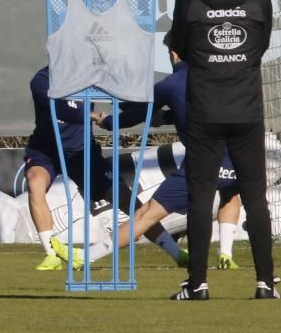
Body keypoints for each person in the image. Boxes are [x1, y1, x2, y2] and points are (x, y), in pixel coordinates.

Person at [166, 0, 277, 300]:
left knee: (201, 199)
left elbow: (179, 47)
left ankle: (197, 285)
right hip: (246, 110)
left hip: (204, 111)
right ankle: (264, 283)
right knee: (255, 197)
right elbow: (259, 47)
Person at [58, 48, 243, 268]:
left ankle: (84, 257)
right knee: (230, 193)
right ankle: (226, 255)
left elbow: (133, 116)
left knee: (145, 214)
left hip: (201, 161)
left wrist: (106, 121)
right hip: (235, 157)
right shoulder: (220, 77)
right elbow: (192, 112)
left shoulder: (172, 83)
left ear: (175, 53)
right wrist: (163, 117)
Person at [23, 67, 182, 271]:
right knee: (35, 182)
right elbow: (60, 109)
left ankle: (177, 253)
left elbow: (121, 98)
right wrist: (96, 115)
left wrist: (144, 113)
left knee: (127, 200)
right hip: (46, 150)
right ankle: (51, 255)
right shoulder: (42, 79)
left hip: (82, 152)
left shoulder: (91, 74)